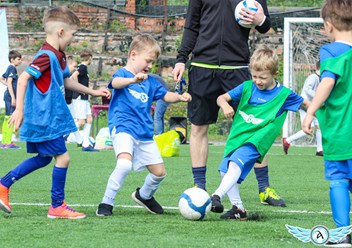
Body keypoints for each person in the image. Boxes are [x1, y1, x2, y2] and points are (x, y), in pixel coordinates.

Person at [0, 6, 111, 219]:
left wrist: (93, 91)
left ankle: (3, 184)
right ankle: (57, 206)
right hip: (45, 119)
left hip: (50, 118)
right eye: (73, 34)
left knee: (43, 158)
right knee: (63, 158)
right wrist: (19, 110)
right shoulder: (45, 56)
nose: (73, 39)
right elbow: (23, 79)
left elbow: (67, 80)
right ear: (61, 31)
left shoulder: (59, 56)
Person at [172, 0, 286, 207]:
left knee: (254, 129)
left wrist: (260, 20)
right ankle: (200, 188)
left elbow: (265, 25)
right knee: (198, 127)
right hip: (202, 65)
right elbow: (191, 24)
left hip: (237, 67)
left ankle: (264, 188)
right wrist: (181, 58)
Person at [96, 34, 192, 216]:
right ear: (133, 55)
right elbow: (114, 84)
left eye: (152, 63)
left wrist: (179, 97)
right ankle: (106, 203)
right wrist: (133, 80)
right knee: (124, 165)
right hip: (123, 127)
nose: (149, 66)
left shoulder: (150, 81)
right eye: (147, 61)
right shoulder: (123, 74)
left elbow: (165, 95)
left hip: (144, 133)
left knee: (159, 173)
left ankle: (144, 195)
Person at [210, 45, 309, 220]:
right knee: (225, 171)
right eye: (254, 76)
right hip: (238, 137)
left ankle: (216, 195)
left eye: (262, 77)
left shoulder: (284, 94)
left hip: (257, 140)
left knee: (234, 164)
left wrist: (317, 116)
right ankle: (238, 209)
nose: (258, 81)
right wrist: (225, 105)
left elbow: (307, 105)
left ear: (274, 73)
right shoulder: (247, 87)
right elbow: (221, 98)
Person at [302, 0, 352, 246]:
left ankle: (343, 234)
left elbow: (328, 82)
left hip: (341, 133)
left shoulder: (331, 52)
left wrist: (310, 110)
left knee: (339, 180)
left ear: (328, 26)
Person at [283, 61, 323, 156]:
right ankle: (287, 140)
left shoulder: (320, 78)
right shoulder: (313, 77)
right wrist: (318, 96)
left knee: (319, 126)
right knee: (309, 128)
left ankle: (319, 150)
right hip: (304, 105)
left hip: (313, 105)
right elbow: (307, 90)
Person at [71, 48, 98, 152]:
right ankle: (67, 134)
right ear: (90, 57)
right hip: (80, 98)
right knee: (81, 122)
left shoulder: (83, 67)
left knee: (89, 119)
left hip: (84, 98)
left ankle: (86, 144)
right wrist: (79, 88)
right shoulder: (82, 67)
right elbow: (73, 76)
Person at [0, 50, 22, 149]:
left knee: (7, 117)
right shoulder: (12, 68)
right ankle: (7, 142)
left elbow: (1, 78)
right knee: (10, 118)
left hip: (8, 95)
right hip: (10, 97)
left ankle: (5, 141)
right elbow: (9, 82)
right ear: (12, 60)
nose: (20, 61)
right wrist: (13, 97)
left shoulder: (10, 68)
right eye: (18, 59)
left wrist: (9, 87)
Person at [64, 55, 83, 146]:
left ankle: (79, 140)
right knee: (71, 121)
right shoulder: (63, 76)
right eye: (74, 66)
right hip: (63, 103)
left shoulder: (69, 75)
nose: (75, 69)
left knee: (73, 121)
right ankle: (79, 140)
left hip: (69, 102)